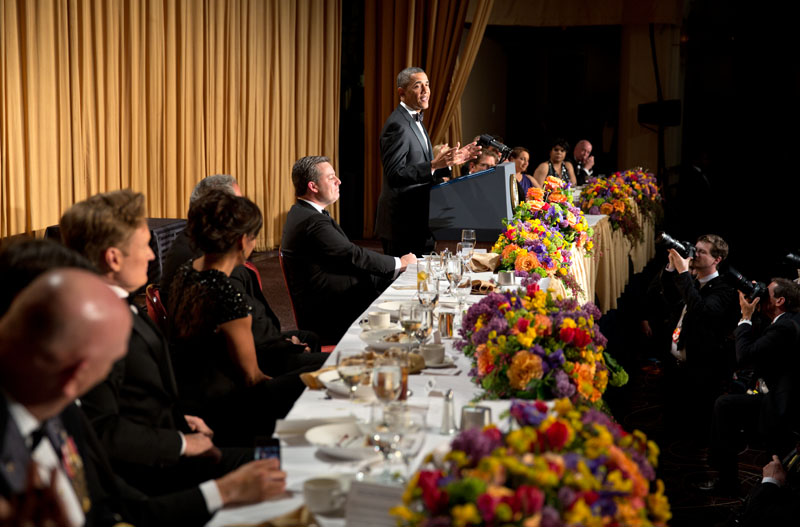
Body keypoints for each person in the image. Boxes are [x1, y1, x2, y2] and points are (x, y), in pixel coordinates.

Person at [0, 269, 286, 527]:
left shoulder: (65, 414)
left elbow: (126, 506)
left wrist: (226, 490)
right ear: (78, 372)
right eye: (107, 367)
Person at [59, 189, 260, 497]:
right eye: (144, 246)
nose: (153, 256)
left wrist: (181, 422)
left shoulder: (119, 305)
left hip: (173, 435)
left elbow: (138, 398)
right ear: (113, 258)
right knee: (289, 467)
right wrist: (180, 443)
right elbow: (102, 429)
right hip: (153, 475)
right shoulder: (95, 326)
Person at [167, 190, 309, 445]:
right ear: (243, 241)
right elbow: (252, 377)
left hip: (189, 390)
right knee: (323, 375)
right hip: (227, 403)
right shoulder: (226, 292)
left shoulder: (186, 271)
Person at [161, 174, 327, 376]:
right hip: (229, 373)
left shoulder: (193, 252)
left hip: (203, 367)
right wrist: (287, 349)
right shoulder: (221, 273)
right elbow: (251, 371)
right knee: (338, 366)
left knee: (309, 339)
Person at [282, 156, 416, 343]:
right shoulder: (312, 221)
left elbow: (345, 255)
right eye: (331, 178)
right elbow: (352, 254)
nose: (339, 181)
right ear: (313, 186)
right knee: (414, 310)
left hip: (335, 299)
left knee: (408, 289)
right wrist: (399, 263)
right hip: (334, 314)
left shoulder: (302, 213)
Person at [704, 278, 800, 495]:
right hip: (780, 394)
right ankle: (729, 478)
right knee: (726, 405)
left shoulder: (785, 326)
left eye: (767, 294)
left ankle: (729, 484)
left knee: (725, 406)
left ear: (780, 301)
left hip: (783, 405)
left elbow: (745, 356)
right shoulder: (789, 318)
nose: (762, 297)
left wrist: (745, 316)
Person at [376, 66, 480, 256]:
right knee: (401, 284)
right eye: (418, 86)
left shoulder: (415, 120)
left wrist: (449, 162)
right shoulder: (397, 125)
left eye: (427, 84)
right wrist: (434, 165)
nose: (426, 91)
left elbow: (420, 167)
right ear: (402, 93)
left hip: (419, 220)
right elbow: (395, 174)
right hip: (402, 223)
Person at [659, 234, 739, 440]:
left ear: (717, 260)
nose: (695, 254)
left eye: (702, 252)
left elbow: (701, 311)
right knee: (672, 422)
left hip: (702, 367)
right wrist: (671, 268)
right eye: (696, 249)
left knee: (696, 429)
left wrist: (684, 272)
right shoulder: (692, 281)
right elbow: (668, 296)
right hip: (676, 362)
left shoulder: (724, 288)